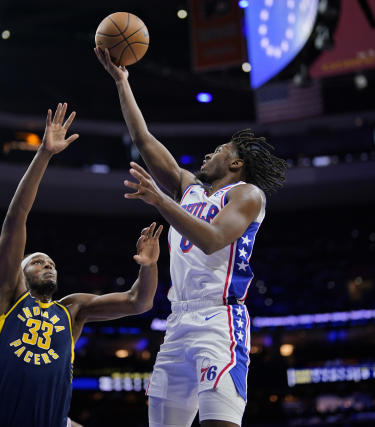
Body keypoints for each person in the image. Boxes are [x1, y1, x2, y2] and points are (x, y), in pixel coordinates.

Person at [95, 48, 287, 427]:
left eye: (219, 151)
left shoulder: (246, 194)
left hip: (220, 318)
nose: (208, 154)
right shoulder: (189, 187)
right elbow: (145, 140)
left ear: (235, 164)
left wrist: (160, 202)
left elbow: (214, 239)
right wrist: (122, 83)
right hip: (178, 320)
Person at [0, 102, 163, 427]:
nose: (47, 265)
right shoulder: (9, 297)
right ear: (20, 273)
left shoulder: (72, 311)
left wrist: (148, 266)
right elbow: (15, 220)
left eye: (50, 262)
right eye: (38, 262)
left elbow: (140, 301)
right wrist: (44, 154)